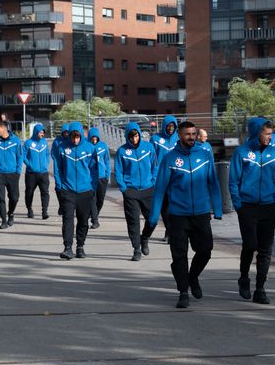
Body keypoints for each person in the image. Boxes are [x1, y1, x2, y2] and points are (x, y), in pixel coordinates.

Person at [150, 121, 222, 309]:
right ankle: (183, 292)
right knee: (179, 255)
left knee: (205, 250)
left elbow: (213, 183)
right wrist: (154, 215)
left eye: (193, 134)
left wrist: (218, 208)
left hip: (201, 212)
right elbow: (159, 189)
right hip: (177, 215)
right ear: (180, 136)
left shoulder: (205, 155)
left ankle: (193, 277)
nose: (191, 137)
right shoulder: (169, 158)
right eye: (187, 134)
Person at [228, 117, 275, 304]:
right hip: (248, 207)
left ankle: (260, 289)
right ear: (256, 133)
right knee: (250, 245)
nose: (270, 137)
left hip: (268, 207)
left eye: (271, 133)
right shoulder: (241, 152)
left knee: (265, 250)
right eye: (266, 133)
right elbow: (233, 181)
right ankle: (244, 278)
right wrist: (239, 205)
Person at [52, 121, 99, 260]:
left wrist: (93, 186)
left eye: (78, 137)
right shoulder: (62, 148)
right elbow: (58, 168)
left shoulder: (90, 148)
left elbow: (94, 169)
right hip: (68, 190)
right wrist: (60, 186)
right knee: (67, 220)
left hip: (85, 191)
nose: (76, 140)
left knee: (83, 220)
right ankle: (67, 248)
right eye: (73, 137)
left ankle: (80, 246)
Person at [115, 122, 158, 260]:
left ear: (140, 134)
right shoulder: (122, 151)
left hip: (148, 189)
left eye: (136, 136)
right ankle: (137, 249)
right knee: (133, 221)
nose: (134, 139)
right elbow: (118, 171)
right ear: (127, 136)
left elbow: (155, 166)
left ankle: (144, 238)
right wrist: (124, 188)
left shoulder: (149, 147)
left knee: (153, 219)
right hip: (131, 191)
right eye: (131, 136)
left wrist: (153, 182)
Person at [0, 121, 23, 229]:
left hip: (12, 174)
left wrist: (18, 171)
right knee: (0, 198)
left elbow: (20, 157)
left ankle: (11, 213)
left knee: (14, 197)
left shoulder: (16, 141)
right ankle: (3, 221)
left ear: (4, 129)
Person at [23, 123, 51, 219]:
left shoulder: (44, 142)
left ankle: (44, 211)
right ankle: (29, 209)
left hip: (43, 173)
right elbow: (23, 156)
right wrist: (30, 165)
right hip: (31, 173)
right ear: (36, 132)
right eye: (40, 132)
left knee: (45, 192)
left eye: (43, 132)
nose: (42, 134)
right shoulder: (28, 143)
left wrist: (46, 163)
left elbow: (47, 154)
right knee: (29, 192)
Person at [87, 127, 111, 228]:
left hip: (102, 177)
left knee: (100, 200)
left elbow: (107, 161)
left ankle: (93, 214)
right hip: (90, 178)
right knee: (93, 198)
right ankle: (95, 220)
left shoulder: (103, 146)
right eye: (92, 138)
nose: (94, 140)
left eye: (96, 138)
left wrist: (107, 174)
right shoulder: (86, 146)